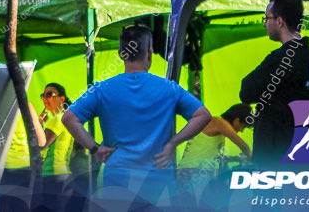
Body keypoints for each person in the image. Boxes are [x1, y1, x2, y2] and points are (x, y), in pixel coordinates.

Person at [63, 25, 211, 207]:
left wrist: (95, 149)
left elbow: (69, 118)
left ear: (120, 54)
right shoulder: (169, 88)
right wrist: (173, 143)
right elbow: (203, 115)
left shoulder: (102, 89)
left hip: (118, 179)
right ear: (150, 52)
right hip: (159, 178)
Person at [239, 0, 309, 167]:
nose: (265, 23)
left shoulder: (282, 58)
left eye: (267, 18)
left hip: (275, 150)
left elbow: (246, 91)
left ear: (280, 21)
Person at [177, 104, 252, 191]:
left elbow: (213, 157)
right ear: (236, 120)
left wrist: (236, 158)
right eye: (243, 126)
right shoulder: (219, 123)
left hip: (193, 172)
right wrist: (251, 159)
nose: (242, 130)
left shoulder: (216, 126)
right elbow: (243, 146)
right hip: (193, 172)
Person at [38, 82, 74, 206]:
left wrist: (38, 124)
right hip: (61, 173)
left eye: (50, 94)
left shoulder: (57, 119)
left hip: (53, 174)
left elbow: (41, 145)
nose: (45, 98)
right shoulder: (64, 117)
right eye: (43, 95)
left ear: (61, 99)